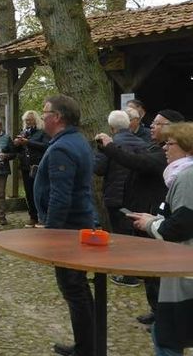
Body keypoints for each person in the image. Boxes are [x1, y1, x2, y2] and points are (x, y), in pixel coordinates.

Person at [95, 108, 186, 326]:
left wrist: (109, 146)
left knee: (157, 270)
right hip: (144, 212)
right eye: (153, 123)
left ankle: (162, 316)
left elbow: (139, 163)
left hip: (157, 216)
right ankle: (156, 311)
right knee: (149, 270)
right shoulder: (156, 147)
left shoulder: (172, 155)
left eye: (159, 123)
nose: (152, 126)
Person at [33, 95, 96, 356]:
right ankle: (88, 344)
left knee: (74, 289)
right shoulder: (75, 140)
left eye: (44, 112)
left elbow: (61, 196)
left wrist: (52, 235)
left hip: (68, 229)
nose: (42, 116)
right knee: (78, 287)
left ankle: (86, 348)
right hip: (76, 225)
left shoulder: (62, 147)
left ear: (57, 117)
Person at [128, 122, 193, 356]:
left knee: (166, 339)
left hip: (184, 275)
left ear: (187, 148)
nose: (164, 148)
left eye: (170, 143)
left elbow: (181, 226)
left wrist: (150, 224)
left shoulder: (187, 177)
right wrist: (155, 217)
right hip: (183, 272)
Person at [93, 110, 147, 287]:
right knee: (138, 235)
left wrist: (98, 149)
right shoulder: (143, 143)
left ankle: (127, 274)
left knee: (121, 235)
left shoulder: (110, 144)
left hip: (116, 196)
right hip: (138, 197)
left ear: (111, 127)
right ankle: (140, 271)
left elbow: (99, 169)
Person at [13, 110, 50, 227]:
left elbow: (46, 146)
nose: (28, 122)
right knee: (28, 193)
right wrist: (17, 144)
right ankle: (32, 216)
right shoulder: (24, 133)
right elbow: (18, 151)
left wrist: (28, 142)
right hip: (25, 167)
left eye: (30, 119)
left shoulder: (42, 132)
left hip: (38, 166)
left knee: (39, 192)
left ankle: (42, 216)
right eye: (26, 120)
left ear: (36, 120)